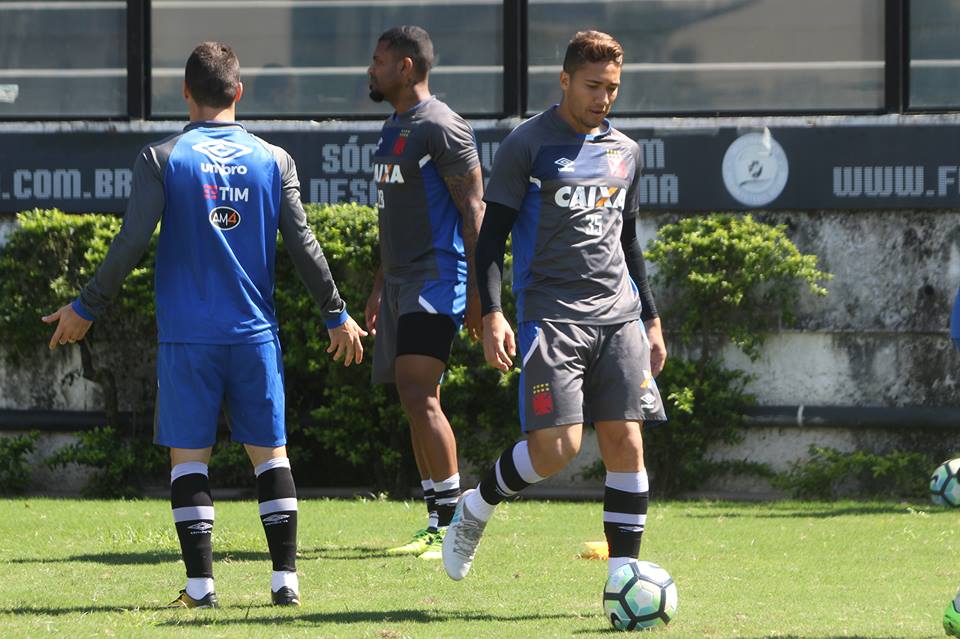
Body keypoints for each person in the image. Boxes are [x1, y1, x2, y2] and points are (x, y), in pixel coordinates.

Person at [42, 41, 366, 608]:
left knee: (189, 459)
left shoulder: (162, 158)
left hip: (188, 339)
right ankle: (285, 583)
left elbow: (131, 242)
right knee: (271, 455)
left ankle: (200, 589)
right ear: (239, 91)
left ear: (185, 92)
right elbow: (304, 244)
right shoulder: (275, 160)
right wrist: (336, 313)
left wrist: (86, 307)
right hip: (254, 336)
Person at [442, 30, 668, 583]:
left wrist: (651, 318)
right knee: (556, 449)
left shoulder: (626, 152)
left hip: (619, 317)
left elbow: (628, 240)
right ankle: (477, 505)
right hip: (552, 316)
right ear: (565, 80)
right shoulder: (527, 144)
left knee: (627, 440)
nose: (603, 98)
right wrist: (492, 312)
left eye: (612, 88)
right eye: (593, 86)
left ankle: (624, 579)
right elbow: (491, 239)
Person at [364, 25, 485, 560]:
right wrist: (378, 286)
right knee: (412, 398)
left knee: (420, 391)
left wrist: (481, 294)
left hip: (438, 277)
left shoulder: (443, 125)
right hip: (399, 283)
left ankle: (456, 524)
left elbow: (474, 210)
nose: (371, 70)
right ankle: (436, 521)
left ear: (406, 66)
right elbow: (392, 218)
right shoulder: (393, 126)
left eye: (378, 61)